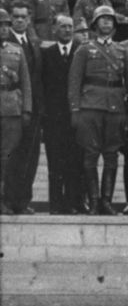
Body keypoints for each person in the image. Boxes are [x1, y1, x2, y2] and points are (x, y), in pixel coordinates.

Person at [68, 6, 128, 215]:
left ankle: (107, 201)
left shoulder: (122, 51)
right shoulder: (84, 49)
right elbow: (74, 82)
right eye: (102, 19)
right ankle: (94, 200)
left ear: (115, 26)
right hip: (90, 107)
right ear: (95, 24)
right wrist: (75, 110)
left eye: (110, 20)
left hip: (116, 108)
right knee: (90, 154)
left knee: (111, 155)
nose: (106, 22)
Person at [39, 15, 81, 213]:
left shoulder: (81, 51)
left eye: (70, 26)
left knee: (75, 161)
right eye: (63, 26)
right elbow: (41, 85)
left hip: (76, 116)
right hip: (53, 118)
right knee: (55, 163)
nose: (67, 30)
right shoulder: (46, 54)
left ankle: (73, 202)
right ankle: (56, 204)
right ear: (54, 29)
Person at [0, 8, 34, 215]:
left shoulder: (16, 50)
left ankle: (4, 200)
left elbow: (26, 83)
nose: (4, 29)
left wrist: (26, 109)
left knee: (7, 158)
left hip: (12, 109)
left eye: (6, 25)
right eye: (0, 25)